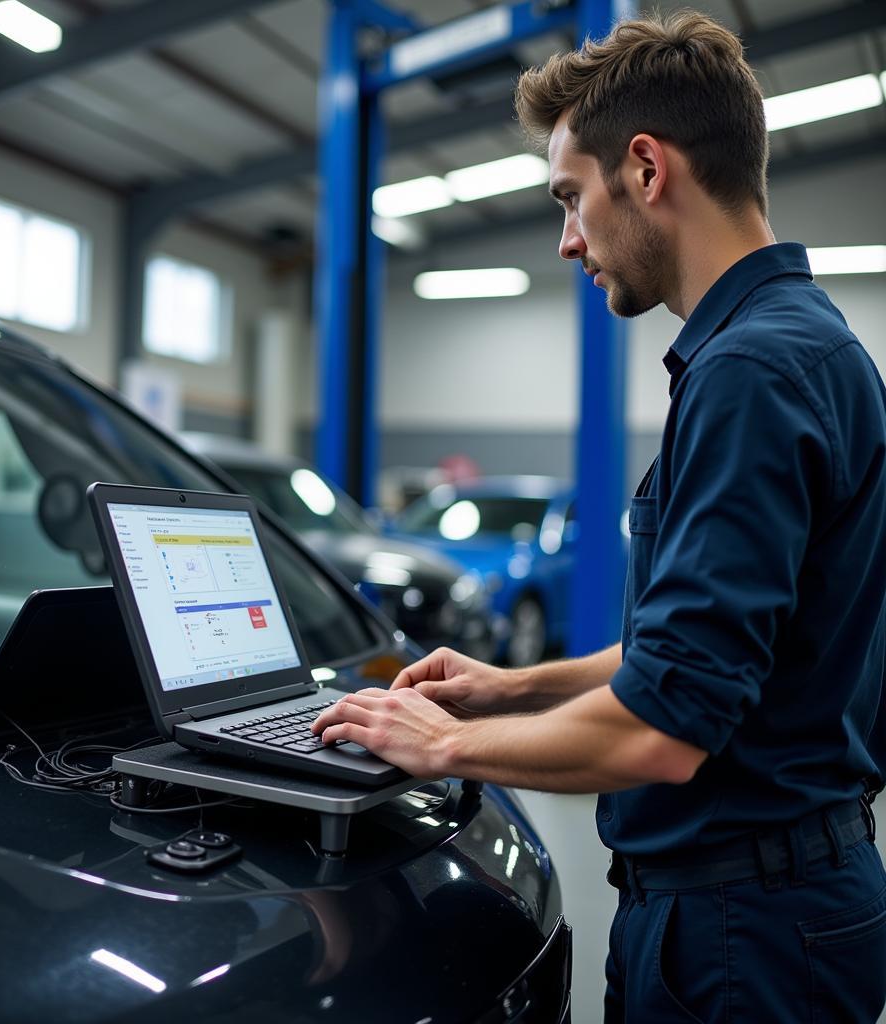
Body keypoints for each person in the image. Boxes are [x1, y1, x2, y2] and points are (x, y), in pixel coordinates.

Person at [313, 11, 886, 1022]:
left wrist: (438, 746)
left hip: (741, 938)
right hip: (765, 907)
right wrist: (508, 688)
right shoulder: (794, 345)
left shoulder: (751, 372)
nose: (569, 238)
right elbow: (697, 658)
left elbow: (665, 729)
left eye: (570, 198)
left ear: (646, 168)